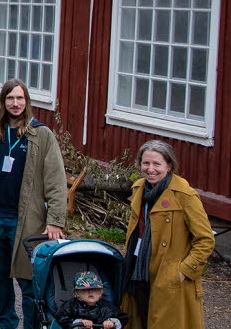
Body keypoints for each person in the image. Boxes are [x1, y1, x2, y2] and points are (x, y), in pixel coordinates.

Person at [0, 78, 68, 329]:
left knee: (28, 280)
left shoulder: (41, 134)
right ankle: (7, 322)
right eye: (10, 98)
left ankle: (31, 326)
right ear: (3, 101)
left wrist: (55, 220)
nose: (15, 103)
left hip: (28, 220)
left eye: (20, 98)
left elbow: (56, 181)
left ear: (27, 101)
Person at [120, 140, 214, 329]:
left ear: (169, 165)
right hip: (138, 271)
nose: (150, 169)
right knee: (140, 320)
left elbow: (205, 240)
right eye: (146, 163)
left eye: (157, 164)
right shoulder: (139, 189)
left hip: (168, 278)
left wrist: (183, 271)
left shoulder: (185, 196)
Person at [57, 271, 127, 329]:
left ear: (100, 293)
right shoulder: (71, 306)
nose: (90, 292)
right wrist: (79, 323)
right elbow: (60, 318)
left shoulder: (107, 307)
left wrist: (112, 322)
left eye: (95, 289)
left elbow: (123, 318)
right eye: (85, 290)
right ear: (77, 293)